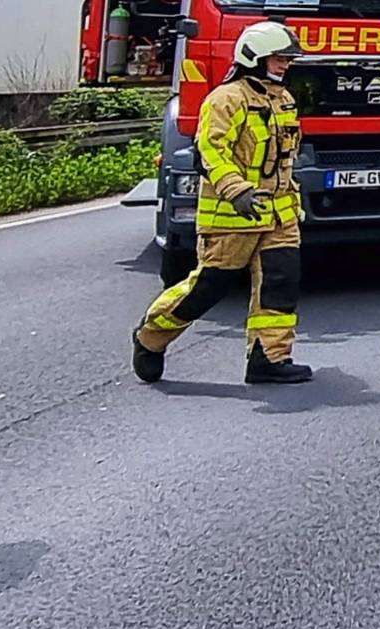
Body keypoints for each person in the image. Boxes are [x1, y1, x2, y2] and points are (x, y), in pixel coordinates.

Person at [133, 20, 313, 385]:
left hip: (279, 215)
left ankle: (269, 358)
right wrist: (237, 190)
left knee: (280, 284)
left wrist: (293, 199)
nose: (286, 64)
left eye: (288, 59)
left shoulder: (283, 99)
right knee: (208, 287)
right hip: (232, 215)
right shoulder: (225, 99)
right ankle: (151, 337)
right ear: (255, 57)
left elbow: (283, 158)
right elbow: (211, 152)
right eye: (279, 58)